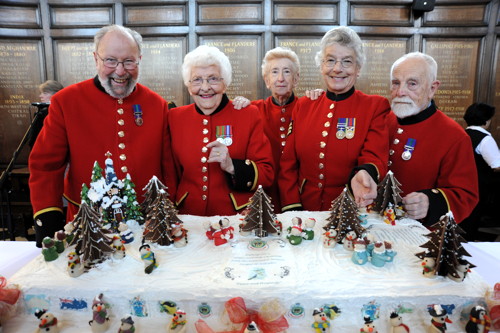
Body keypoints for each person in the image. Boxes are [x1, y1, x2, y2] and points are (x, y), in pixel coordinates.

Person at [29, 24, 175, 247]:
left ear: (139, 60)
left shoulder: (157, 105)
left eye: (128, 61)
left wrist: (169, 215)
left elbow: (168, 170)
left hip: (147, 225)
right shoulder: (66, 102)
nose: (120, 71)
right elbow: (45, 166)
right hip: (86, 224)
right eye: (111, 60)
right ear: (96, 58)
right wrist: (48, 222)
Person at [278, 26, 390, 212]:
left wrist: (364, 173)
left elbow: (374, 155)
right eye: (330, 60)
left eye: (347, 61)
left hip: (350, 210)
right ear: (321, 65)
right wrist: (292, 208)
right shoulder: (304, 105)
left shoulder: (374, 107)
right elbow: (288, 164)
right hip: (305, 210)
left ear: (358, 68)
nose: (337, 69)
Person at [167, 45, 274, 216]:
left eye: (213, 79)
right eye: (196, 80)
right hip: (188, 216)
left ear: (225, 83)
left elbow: (267, 173)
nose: (205, 87)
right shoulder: (174, 117)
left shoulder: (248, 114)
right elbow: (171, 173)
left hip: (234, 216)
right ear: (188, 86)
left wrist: (233, 167)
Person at [387, 52, 478, 226]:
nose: (400, 92)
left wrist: (430, 202)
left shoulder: (454, 136)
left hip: (420, 237)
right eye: (396, 83)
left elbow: (466, 195)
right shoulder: (381, 120)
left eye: (412, 83)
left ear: (432, 88)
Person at [250, 47, 300, 211]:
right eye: (274, 72)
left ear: (295, 79)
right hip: (264, 193)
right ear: (266, 80)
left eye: (287, 72)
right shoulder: (253, 110)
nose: (280, 78)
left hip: (298, 194)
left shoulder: (307, 107)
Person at [460, 103, 500, 240]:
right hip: (478, 188)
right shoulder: (485, 139)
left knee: (462, 222)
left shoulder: (461, 134)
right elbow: (497, 165)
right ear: (486, 120)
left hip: (460, 186)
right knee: (472, 223)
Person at [28, 80, 64, 148]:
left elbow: (33, 141)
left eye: (45, 93)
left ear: (56, 94)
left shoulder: (43, 114)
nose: (40, 96)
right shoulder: (41, 112)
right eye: (41, 93)